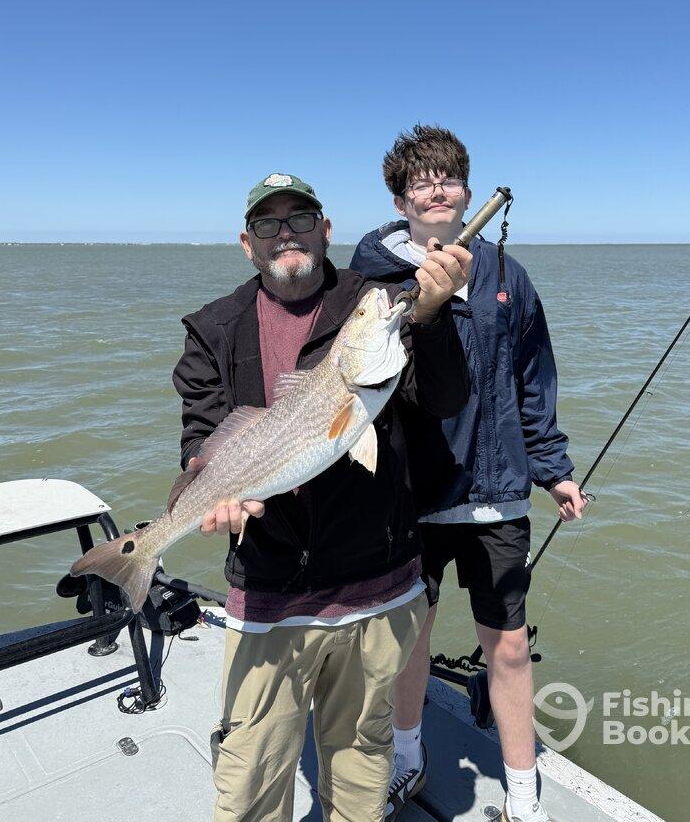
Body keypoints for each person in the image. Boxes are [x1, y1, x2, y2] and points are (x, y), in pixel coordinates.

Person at [171, 171, 472, 822]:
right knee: (249, 788)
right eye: (269, 225)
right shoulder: (213, 329)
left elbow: (444, 399)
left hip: (380, 592)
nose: (287, 235)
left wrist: (436, 314)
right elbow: (201, 436)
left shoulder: (376, 302)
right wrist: (203, 487)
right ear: (246, 243)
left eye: (301, 219)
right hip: (272, 596)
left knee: (360, 782)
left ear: (326, 230)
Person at [350, 127, 586, 822]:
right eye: (419, 181)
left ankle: (522, 791)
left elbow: (532, 381)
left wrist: (555, 470)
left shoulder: (509, 276)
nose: (435, 189)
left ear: (467, 191)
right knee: (409, 644)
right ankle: (409, 757)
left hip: (497, 493)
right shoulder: (373, 277)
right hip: (412, 495)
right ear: (399, 198)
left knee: (509, 650)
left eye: (446, 177)